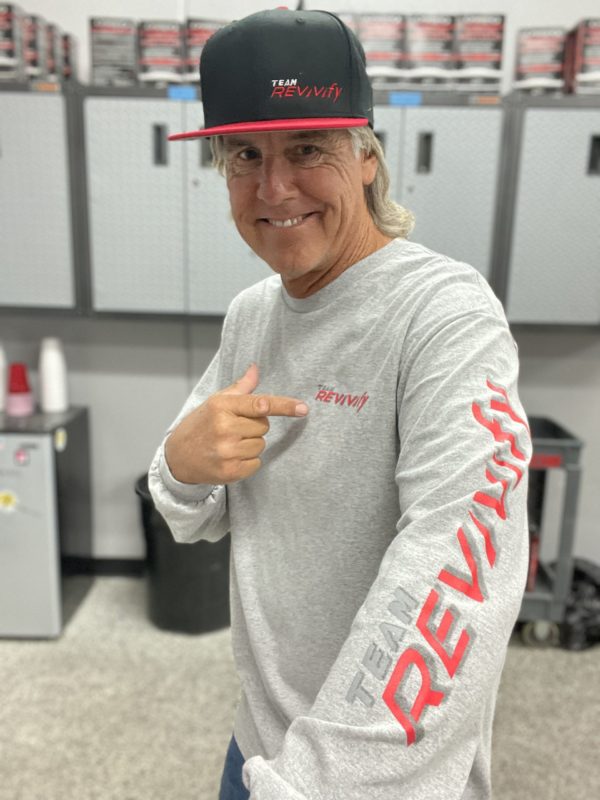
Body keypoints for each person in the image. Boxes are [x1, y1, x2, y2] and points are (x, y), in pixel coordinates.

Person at [148, 8, 532, 800]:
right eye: (244, 154)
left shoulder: (445, 314)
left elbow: (454, 571)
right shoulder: (252, 314)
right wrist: (183, 466)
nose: (273, 187)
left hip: (376, 776)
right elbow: (193, 505)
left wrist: (317, 782)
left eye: (307, 149)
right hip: (258, 744)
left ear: (365, 156)